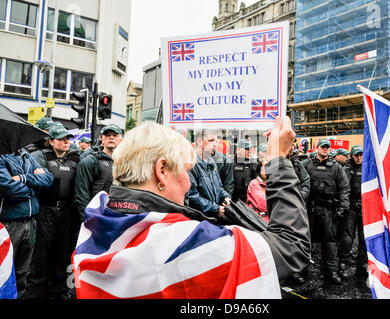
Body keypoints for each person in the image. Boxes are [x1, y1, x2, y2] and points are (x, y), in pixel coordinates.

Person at [71, 118, 311, 299]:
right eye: (186, 171)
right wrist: (278, 160)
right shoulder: (184, 244)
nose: (188, 183)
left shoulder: (97, 221)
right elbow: (293, 249)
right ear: (161, 170)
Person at [26, 126, 81, 299]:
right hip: (45, 211)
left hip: (66, 213)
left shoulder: (75, 159)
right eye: (61, 139)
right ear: (51, 141)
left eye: (68, 139)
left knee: (62, 255)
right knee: (41, 258)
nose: (66, 142)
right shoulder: (39, 157)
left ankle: (58, 293)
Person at [0, 148, 53, 298]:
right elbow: (8, 188)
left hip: (30, 223)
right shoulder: (2, 157)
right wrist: (34, 190)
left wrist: (23, 178)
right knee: (4, 272)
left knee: (23, 273)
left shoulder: (26, 156)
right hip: (8, 224)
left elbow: (48, 179)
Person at [302, 138, 350, 284]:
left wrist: (343, 206)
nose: (325, 149)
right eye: (323, 147)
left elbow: (344, 188)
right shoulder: (306, 164)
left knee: (330, 242)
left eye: (327, 147)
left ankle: (331, 271)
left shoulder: (336, 167)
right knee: (305, 240)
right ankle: (301, 270)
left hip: (328, 210)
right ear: (317, 148)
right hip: (309, 209)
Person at [74, 124, 123, 221]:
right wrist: (89, 220)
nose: (111, 137)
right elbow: (81, 195)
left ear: (121, 139)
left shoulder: (129, 163)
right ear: (101, 138)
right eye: (107, 135)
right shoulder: (90, 162)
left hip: (120, 217)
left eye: (115, 135)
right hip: (98, 217)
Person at [337, 145, 367, 280]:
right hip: (351, 207)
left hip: (365, 206)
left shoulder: (368, 167)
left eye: (361, 155)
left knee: (364, 237)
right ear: (352, 155)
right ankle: (342, 262)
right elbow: (343, 189)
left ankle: (363, 263)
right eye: (356, 155)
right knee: (347, 238)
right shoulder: (346, 169)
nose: (359, 158)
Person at [187, 130, 231, 218]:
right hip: (201, 219)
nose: (215, 144)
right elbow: (192, 197)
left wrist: (226, 197)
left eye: (216, 141)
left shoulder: (211, 162)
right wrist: (215, 209)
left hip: (215, 218)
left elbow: (219, 187)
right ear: (199, 141)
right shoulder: (191, 164)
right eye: (211, 140)